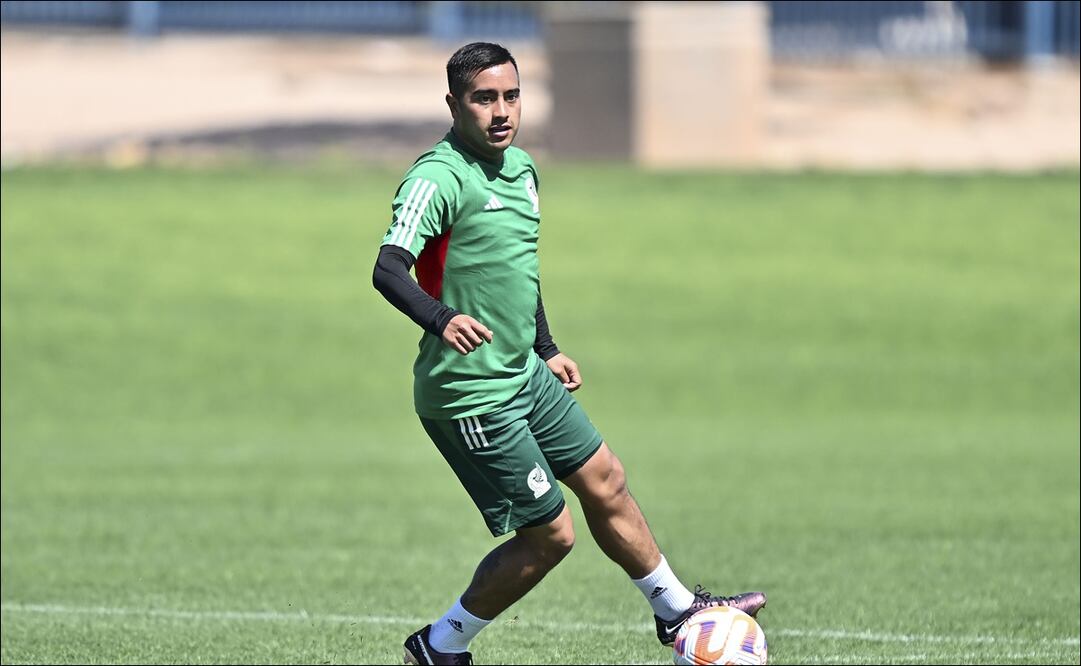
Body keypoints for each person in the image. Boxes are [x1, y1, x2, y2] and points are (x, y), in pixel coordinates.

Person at [372, 42, 766, 666]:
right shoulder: (436, 178)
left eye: (512, 96)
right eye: (484, 99)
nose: (501, 112)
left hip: (524, 374)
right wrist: (442, 319)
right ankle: (440, 644)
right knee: (551, 536)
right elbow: (388, 269)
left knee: (606, 479)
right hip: (471, 394)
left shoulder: (523, 170)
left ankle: (675, 611)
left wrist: (546, 347)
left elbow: (517, 272)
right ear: (453, 104)